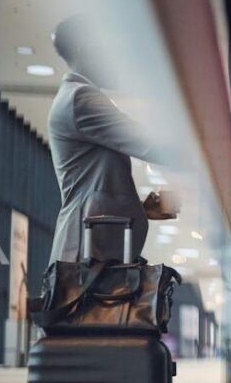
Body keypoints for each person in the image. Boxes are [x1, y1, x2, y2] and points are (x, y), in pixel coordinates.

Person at [47, 15, 176, 265]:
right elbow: (151, 144)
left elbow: (93, 185)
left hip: (91, 252)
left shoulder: (77, 96)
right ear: (87, 50)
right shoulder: (80, 98)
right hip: (86, 256)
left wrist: (138, 208)